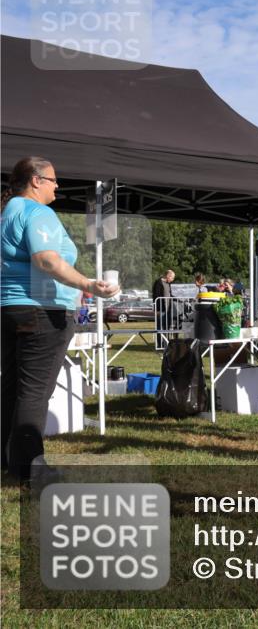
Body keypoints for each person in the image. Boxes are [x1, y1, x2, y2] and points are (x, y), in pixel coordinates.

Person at [1, 157, 120, 481]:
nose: (58, 186)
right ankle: (28, 470)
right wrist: (87, 284)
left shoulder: (7, 212)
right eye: (53, 180)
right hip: (42, 310)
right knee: (34, 392)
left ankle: (8, 462)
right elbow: (46, 260)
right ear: (36, 181)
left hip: (10, 307)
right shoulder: (37, 212)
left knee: (12, 387)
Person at [152, 269, 174, 344]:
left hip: (168, 309)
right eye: (172, 277)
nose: (172, 279)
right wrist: (157, 309)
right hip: (161, 309)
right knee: (160, 326)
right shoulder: (158, 283)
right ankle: (160, 344)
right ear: (168, 276)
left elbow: (170, 295)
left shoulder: (169, 284)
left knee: (167, 326)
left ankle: (166, 342)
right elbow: (156, 296)